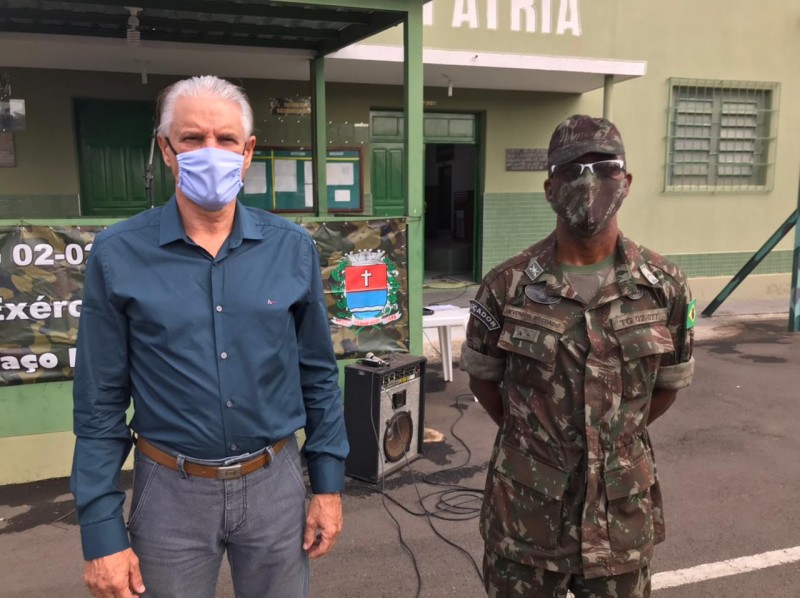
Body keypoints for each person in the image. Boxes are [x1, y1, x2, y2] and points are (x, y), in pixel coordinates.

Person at [71, 75, 349, 598]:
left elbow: (317, 372)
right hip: (169, 494)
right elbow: (99, 402)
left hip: (275, 484)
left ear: (247, 153)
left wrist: (328, 485)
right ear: (166, 149)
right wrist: (100, 532)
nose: (210, 152)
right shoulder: (117, 255)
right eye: (193, 138)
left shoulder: (291, 249)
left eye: (225, 140)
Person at [461, 114, 695, 598]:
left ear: (626, 182)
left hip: (619, 523)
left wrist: (611, 437)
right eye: (571, 169)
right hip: (525, 520)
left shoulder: (664, 286)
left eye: (604, 167)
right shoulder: (507, 286)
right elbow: (485, 380)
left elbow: (667, 385)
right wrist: (538, 439)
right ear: (550, 188)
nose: (588, 181)